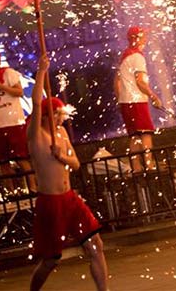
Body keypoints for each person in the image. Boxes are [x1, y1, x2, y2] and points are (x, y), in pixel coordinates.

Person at [27, 54, 108, 291]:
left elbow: (76, 164)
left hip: (70, 198)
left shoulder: (61, 135)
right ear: (47, 116)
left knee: (95, 244)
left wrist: (61, 156)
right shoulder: (36, 136)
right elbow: (34, 102)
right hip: (50, 203)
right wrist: (42, 70)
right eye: (58, 115)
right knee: (51, 260)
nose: (61, 119)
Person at [0, 49, 35, 193]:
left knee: (21, 158)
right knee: (2, 162)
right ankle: (11, 192)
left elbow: (19, 92)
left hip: (15, 123)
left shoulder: (9, 73)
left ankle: (33, 188)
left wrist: (2, 87)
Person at [114, 26, 163, 172]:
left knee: (135, 135)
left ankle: (136, 168)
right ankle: (149, 165)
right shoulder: (137, 57)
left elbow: (116, 81)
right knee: (145, 133)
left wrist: (120, 99)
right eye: (143, 37)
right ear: (137, 38)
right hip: (136, 101)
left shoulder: (124, 56)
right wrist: (154, 97)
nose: (145, 39)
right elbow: (141, 82)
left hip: (126, 101)